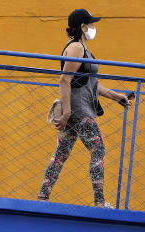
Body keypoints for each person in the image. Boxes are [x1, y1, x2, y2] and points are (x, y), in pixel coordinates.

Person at [37, 9, 132, 208]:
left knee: (61, 153)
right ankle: (99, 202)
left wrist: (117, 97)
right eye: (89, 24)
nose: (92, 28)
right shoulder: (77, 48)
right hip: (79, 110)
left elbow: (92, 84)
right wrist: (67, 112)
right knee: (99, 150)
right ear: (82, 27)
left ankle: (42, 199)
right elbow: (64, 79)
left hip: (77, 108)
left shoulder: (83, 49)